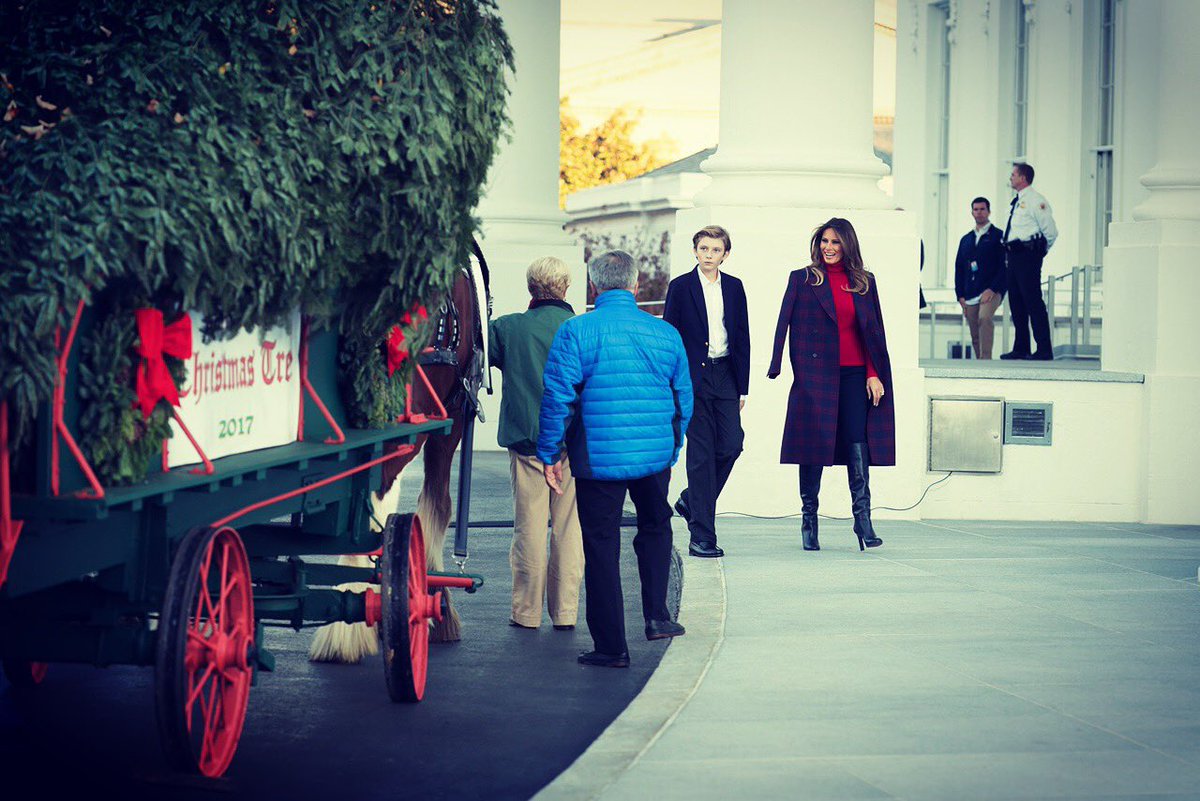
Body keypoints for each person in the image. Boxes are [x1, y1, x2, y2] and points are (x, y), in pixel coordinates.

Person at [538, 250, 692, 668]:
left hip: (597, 460)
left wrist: (551, 453)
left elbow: (558, 398)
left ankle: (612, 647)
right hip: (653, 457)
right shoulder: (666, 334)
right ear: (636, 285)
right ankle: (658, 617)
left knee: (601, 545)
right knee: (656, 527)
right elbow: (683, 399)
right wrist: (671, 444)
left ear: (593, 287)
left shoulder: (576, 331)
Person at [767, 218, 896, 552]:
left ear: (847, 245)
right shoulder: (803, 279)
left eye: (836, 242)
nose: (828, 247)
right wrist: (779, 364)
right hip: (816, 376)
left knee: (857, 440)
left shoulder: (864, 282)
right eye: (824, 241)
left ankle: (863, 520)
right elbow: (783, 323)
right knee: (813, 444)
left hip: (855, 374)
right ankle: (809, 519)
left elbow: (873, 331)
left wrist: (873, 372)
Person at [489, 256, 583, 631]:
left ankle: (526, 613)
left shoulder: (508, 328)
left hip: (528, 442)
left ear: (531, 288)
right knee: (569, 530)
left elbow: (486, 361)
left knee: (528, 528)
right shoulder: (581, 327)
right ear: (566, 287)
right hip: (573, 444)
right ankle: (565, 613)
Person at [662, 225, 749, 559]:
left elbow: (742, 335)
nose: (709, 255)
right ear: (695, 251)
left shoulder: (736, 287)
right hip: (692, 377)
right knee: (700, 455)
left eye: (715, 250)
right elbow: (670, 335)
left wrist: (743, 386)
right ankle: (702, 536)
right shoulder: (681, 287)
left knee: (731, 445)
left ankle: (690, 501)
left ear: (725, 254)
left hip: (725, 373)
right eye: (703, 249)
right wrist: (673, 382)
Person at [999, 163, 1058, 361]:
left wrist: (1038, 253)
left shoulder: (1035, 200)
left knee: (1033, 302)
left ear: (1023, 177)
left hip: (1027, 255)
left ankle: (1043, 348)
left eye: (1013, 174)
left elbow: (1050, 232)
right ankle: (1021, 347)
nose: (1010, 178)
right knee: (1016, 302)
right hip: (1014, 256)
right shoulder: (1018, 200)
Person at [955, 197, 1006, 359]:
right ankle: (979, 362)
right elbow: (959, 268)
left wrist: (993, 288)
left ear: (989, 211)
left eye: (982, 209)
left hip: (991, 290)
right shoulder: (966, 239)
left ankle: (986, 360)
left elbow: (1004, 266)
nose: (979, 212)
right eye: (976, 209)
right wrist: (960, 295)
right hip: (970, 292)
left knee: (984, 318)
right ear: (972, 212)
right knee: (974, 330)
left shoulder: (998, 236)